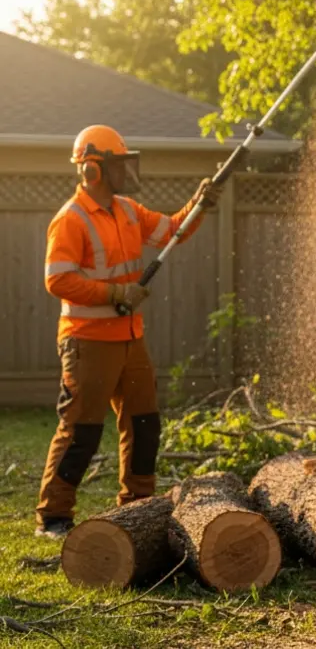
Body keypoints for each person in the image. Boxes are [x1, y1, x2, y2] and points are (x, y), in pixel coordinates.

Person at [35, 125, 219, 539]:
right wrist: (116, 291)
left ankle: (139, 506)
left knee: (144, 423)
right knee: (81, 428)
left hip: (130, 337)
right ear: (92, 170)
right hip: (87, 340)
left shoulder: (129, 211)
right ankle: (53, 516)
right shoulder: (71, 220)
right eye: (118, 163)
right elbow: (57, 279)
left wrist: (200, 203)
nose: (126, 170)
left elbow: (173, 230)